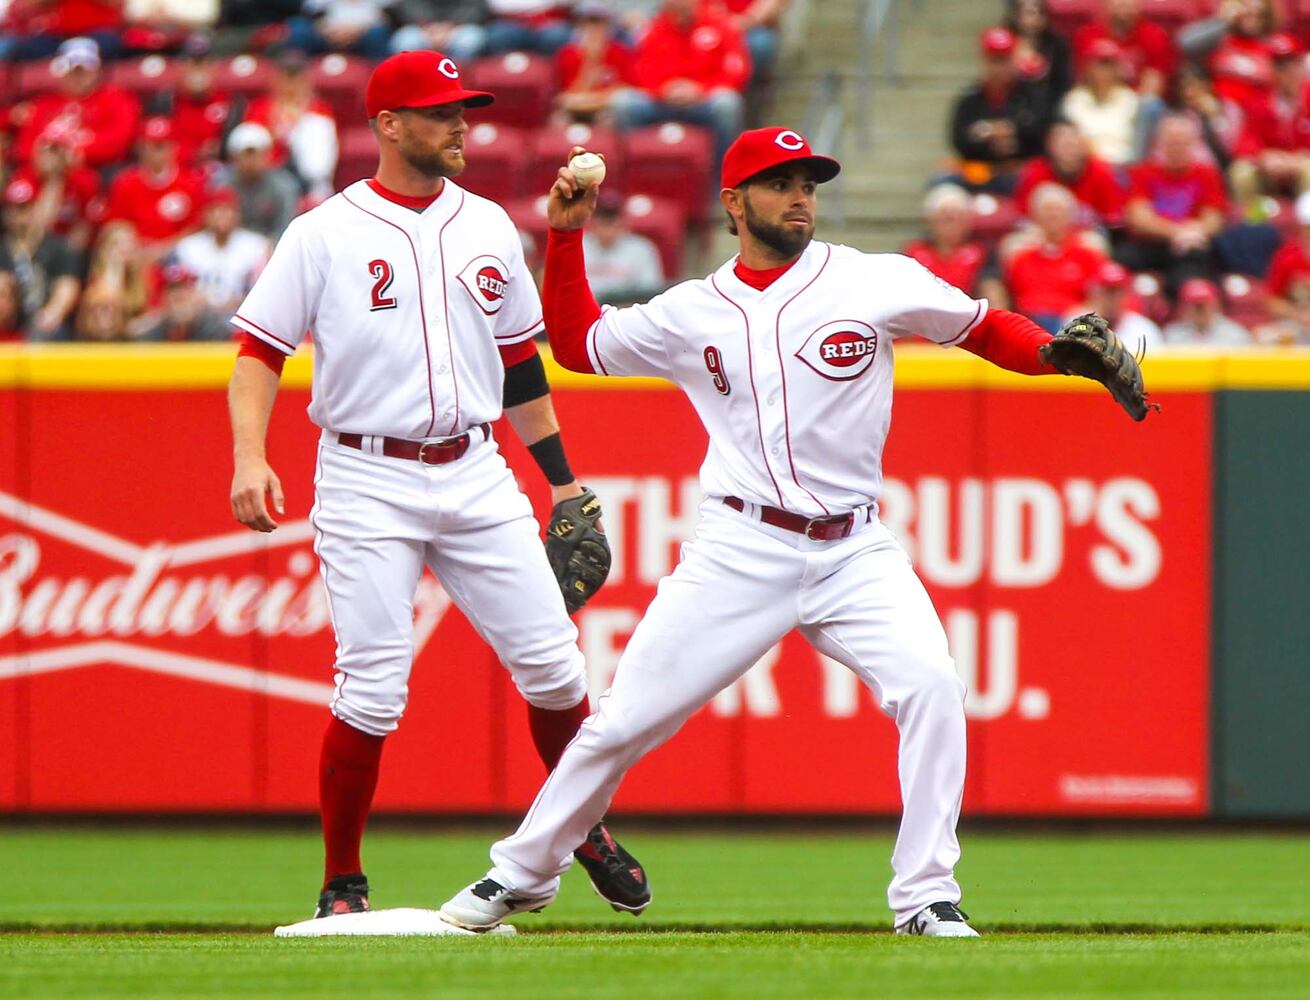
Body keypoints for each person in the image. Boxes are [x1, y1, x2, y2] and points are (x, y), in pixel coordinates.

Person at [440, 126, 1140, 937]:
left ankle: (925, 897)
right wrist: (565, 238)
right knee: (624, 720)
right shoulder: (693, 309)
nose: (800, 195)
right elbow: (578, 345)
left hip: (855, 548)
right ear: (734, 203)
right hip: (741, 548)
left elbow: (984, 328)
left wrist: (1053, 355)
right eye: (779, 183)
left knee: (933, 689)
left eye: (808, 181)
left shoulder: (873, 281)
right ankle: (521, 875)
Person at [226, 50, 649, 921]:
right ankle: (343, 880)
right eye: (441, 111)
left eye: (466, 109)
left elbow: (520, 363)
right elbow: (259, 352)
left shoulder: (489, 222)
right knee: (372, 688)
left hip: (475, 466)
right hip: (363, 472)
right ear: (387, 125)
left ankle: (579, 825)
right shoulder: (322, 232)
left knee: (557, 670)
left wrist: (563, 485)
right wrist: (249, 455)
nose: (462, 123)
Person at [610, 0, 751, 165]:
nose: (681, 7)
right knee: (623, 102)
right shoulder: (653, 29)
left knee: (727, 103)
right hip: (662, 101)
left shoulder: (720, 25)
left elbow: (737, 69)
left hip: (703, 102)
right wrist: (662, 90)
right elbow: (638, 70)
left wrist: (702, 89)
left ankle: (722, 176)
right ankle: (631, 172)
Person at [1119, 113, 1227, 297]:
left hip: (1190, 247)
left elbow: (1213, 219)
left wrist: (1194, 233)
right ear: (1160, 144)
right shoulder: (1143, 172)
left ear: (1192, 145)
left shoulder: (1207, 174)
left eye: (1181, 143)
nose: (1176, 149)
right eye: (1171, 143)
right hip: (1154, 243)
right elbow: (1139, 218)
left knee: (1190, 270)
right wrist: (1178, 232)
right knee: (1119, 258)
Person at [11, 37, 142, 169]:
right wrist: (49, 158)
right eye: (73, 71)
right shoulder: (45, 102)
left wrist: (73, 154)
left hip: (96, 168)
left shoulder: (117, 99)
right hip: (43, 170)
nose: (78, 76)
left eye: (84, 71)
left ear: (98, 71)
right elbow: (24, 147)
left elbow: (119, 141)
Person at [948, 28, 1050, 193]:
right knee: (943, 181)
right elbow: (959, 140)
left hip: (1022, 172)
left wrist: (994, 131)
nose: (999, 67)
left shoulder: (1031, 96)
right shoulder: (969, 99)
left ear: (1013, 60)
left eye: (1004, 59)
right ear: (984, 61)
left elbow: (1039, 132)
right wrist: (997, 140)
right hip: (980, 173)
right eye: (994, 60)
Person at [1003, 183, 1108, 332]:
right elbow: (1007, 293)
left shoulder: (1087, 251)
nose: (1052, 215)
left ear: (1071, 215)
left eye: (1058, 210)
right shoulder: (1019, 252)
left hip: (1071, 323)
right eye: (1047, 210)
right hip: (1027, 322)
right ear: (1035, 215)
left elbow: (1099, 297)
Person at [243, 49, 341, 202]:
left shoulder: (320, 109)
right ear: (276, 79)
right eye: (286, 76)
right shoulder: (260, 108)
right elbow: (251, 148)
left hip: (309, 179)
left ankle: (315, 198)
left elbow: (324, 153)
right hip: (269, 177)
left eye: (296, 77)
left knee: (316, 125)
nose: (291, 84)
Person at [1229, 34, 1310, 217]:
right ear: (1272, 71)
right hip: (1271, 170)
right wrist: (1263, 156)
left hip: (1301, 166)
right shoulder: (1259, 102)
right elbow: (1244, 142)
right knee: (1241, 172)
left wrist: (1297, 160)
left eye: (1293, 65)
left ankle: (1307, 230)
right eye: (1281, 67)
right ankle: (1257, 224)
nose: (1288, 73)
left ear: (1301, 67)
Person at [102, 117, 209, 254]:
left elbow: (195, 228)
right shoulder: (125, 182)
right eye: (146, 146)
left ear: (173, 148)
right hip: (134, 253)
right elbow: (117, 224)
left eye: (159, 146)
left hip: (175, 254)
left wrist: (162, 249)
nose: (151, 152)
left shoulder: (190, 184)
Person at [0, 178, 81, 341]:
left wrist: (54, 311)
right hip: (9, 320)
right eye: (13, 209)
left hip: (47, 321)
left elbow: (67, 285)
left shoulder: (58, 248)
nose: (19, 215)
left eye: (25, 208)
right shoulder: (3, 250)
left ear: (37, 207)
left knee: (46, 332)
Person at [145, 33, 238, 170]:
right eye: (191, 63)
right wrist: (194, 154)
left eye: (203, 63)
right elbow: (152, 148)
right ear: (179, 68)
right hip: (176, 174)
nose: (197, 71)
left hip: (216, 175)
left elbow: (238, 150)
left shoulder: (231, 102)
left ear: (214, 67)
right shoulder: (165, 102)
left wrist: (221, 150)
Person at [1014, 119, 1127, 229]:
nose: (1069, 152)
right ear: (1049, 147)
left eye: (1073, 145)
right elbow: (1022, 223)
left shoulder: (1102, 173)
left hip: (1088, 241)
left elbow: (1114, 225)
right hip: (1042, 241)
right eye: (1063, 145)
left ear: (1086, 147)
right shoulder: (1035, 173)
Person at [173, 187, 270, 314]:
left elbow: (263, 293)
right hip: (199, 318)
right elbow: (176, 290)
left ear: (238, 214)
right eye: (216, 210)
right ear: (205, 214)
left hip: (242, 316)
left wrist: (235, 302)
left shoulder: (257, 246)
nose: (222, 215)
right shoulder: (187, 247)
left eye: (228, 210)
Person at [902, 183, 999, 300]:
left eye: (960, 218)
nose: (953, 225)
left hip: (968, 311)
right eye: (947, 219)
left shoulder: (982, 251)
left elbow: (992, 289)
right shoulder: (914, 252)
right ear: (931, 221)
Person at [1072, 0, 1175, 100]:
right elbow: (1085, 84)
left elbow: (1152, 91)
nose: (1124, 2)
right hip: (1099, 101)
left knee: (1150, 106)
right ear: (1104, 3)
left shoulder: (1155, 36)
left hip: (1137, 104)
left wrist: (1123, 105)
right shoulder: (1087, 36)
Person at [1060, 37, 1139, 167]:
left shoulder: (1131, 100)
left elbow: (1137, 144)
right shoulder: (1074, 100)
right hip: (1085, 167)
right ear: (1088, 67)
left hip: (1123, 165)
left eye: (1109, 64)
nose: (1104, 70)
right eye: (1100, 63)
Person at [553, 2, 633, 125]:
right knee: (559, 120)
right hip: (576, 110)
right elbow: (565, 98)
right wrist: (590, 62)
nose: (594, 27)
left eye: (599, 22)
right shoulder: (568, 54)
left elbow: (624, 92)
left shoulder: (619, 52)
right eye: (589, 21)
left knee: (610, 119)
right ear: (580, 25)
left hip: (604, 110)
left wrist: (593, 100)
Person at [581, 189, 665, 302]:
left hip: (625, 313)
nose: (607, 224)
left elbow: (650, 293)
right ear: (592, 220)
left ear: (623, 220)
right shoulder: (578, 247)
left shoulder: (642, 249)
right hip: (584, 312)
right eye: (602, 218)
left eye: (612, 218)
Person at [224, 123, 302, 241]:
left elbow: (286, 226)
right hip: (231, 247)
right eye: (245, 155)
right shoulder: (222, 185)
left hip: (270, 247)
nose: (250, 162)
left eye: (255, 155)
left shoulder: (283, 185)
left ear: (267, 155)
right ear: (234, 158)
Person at [1081, 259, 1162, 353]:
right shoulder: (1077, 325)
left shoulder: (1144, 330)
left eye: (1118, 292)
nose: (1112, 298)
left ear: (1127, 294)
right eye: (1107, 291)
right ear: (1095, 293)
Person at [139, 263, 233, 342]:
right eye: (173, 290)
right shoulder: (153, 332)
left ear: (196, 294)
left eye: (185, 289)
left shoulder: (215, 330)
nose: (179, 296)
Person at [1005, 0, 1072, 107]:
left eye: (1040, 13)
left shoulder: (1056, 45)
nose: (1035, 19)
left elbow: (1062, 83)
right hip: (1011, 105)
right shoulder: (1005, 42)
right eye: (1029, 13)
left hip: (1047, 106)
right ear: (1016, 15)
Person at [1163, 278, 1253, 346]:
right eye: (1195, 306)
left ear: (1216, 305)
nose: (1200, 311)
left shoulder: (1235, 334)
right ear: (1184, 307)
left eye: (1204, 305)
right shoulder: (1172, 335)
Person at [389, 0, 489, 60]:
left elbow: (475, 8)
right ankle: (415, 79)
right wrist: (429, 25)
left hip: (458, 26)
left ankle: (455, 78)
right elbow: (409, 6)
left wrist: (449, 26)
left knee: (469, 41)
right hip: (423, 27)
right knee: (405, 42)